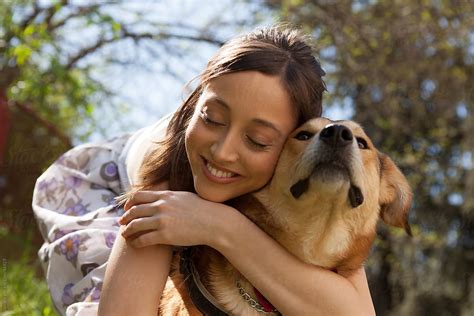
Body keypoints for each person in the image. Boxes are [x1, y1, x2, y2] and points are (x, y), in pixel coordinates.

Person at [32, 25, 375, 316]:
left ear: (292, 145)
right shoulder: (170, 166)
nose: (223, 152)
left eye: (257, 140)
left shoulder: (300, 166)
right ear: (195, 103)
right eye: (212, 119)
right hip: (103, 190)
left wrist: (218, 227)